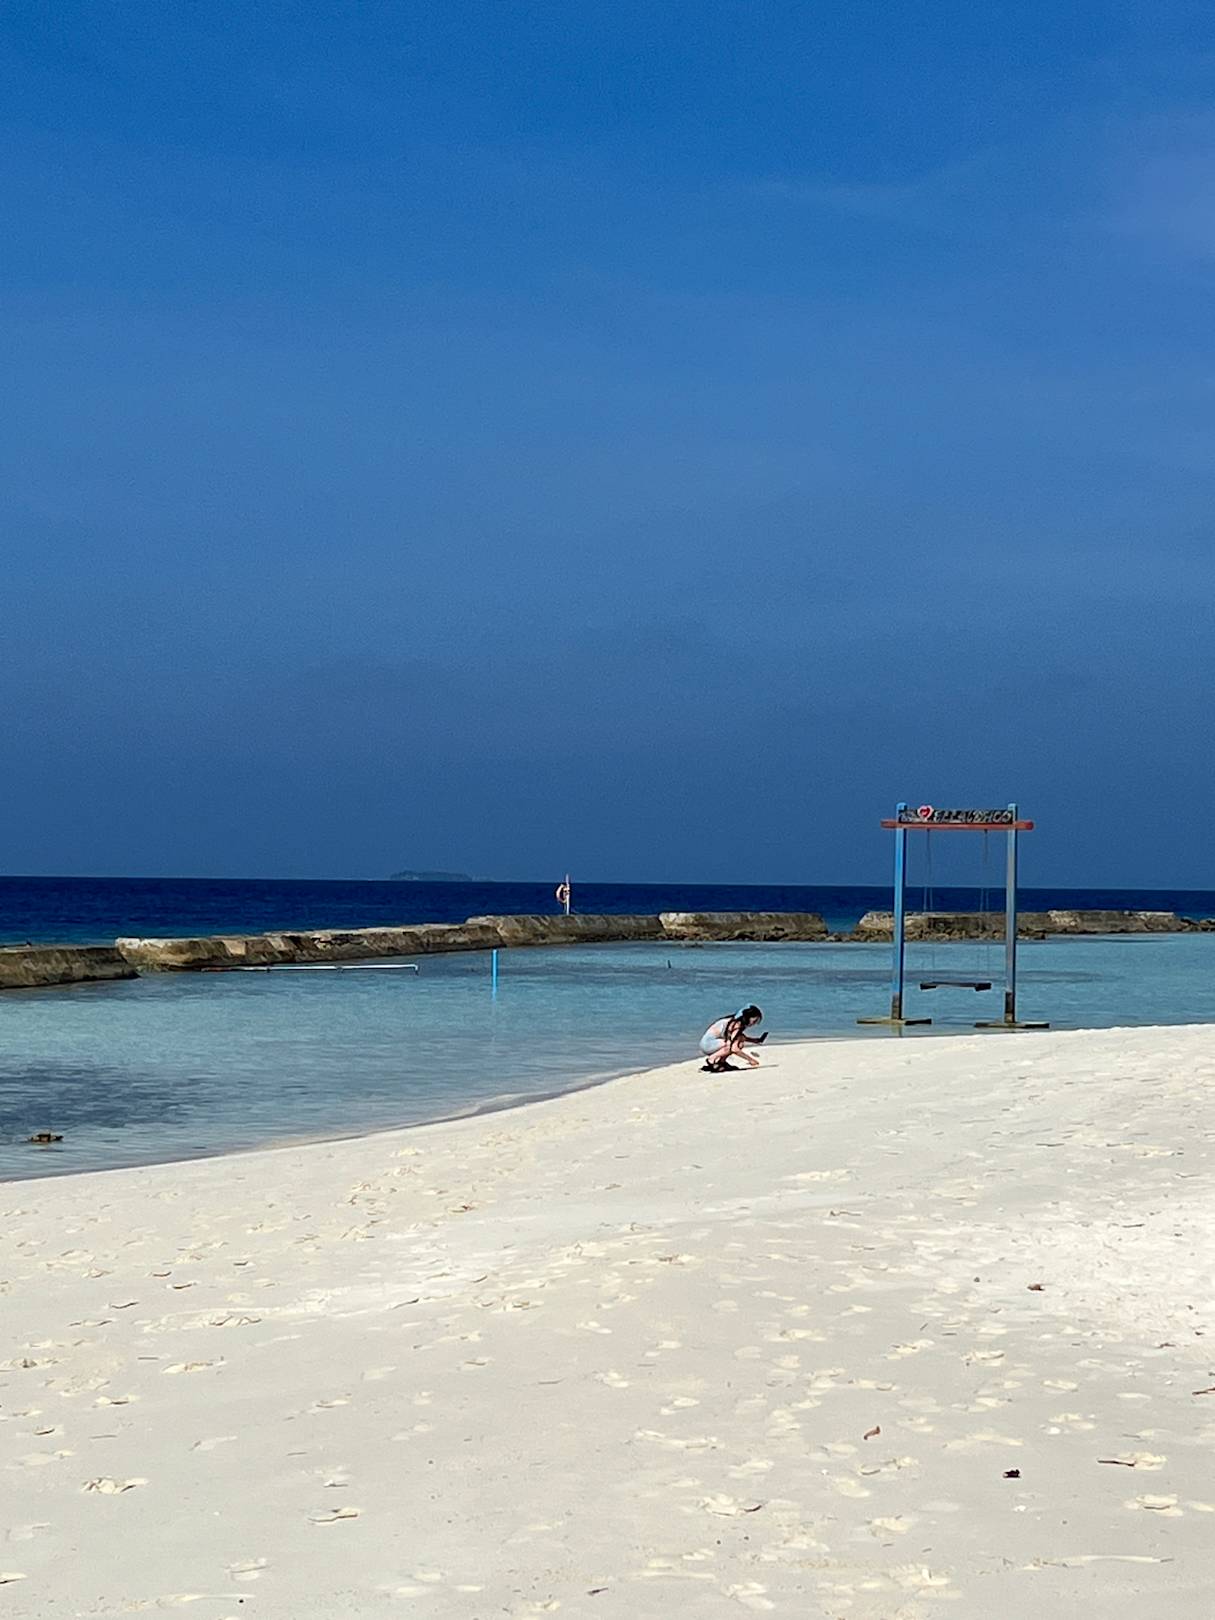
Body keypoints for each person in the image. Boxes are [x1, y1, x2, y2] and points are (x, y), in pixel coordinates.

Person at [699, 1005, 767, 1071]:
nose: (754, 1024)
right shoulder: (736, 1025)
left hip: (709, 1043)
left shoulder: (735, 1022)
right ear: (748, 1017)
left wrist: (755, 1040)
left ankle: (721, 1062)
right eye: (754, 1021)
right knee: (730, 1045)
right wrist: (751, 1060)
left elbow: (739, 1037)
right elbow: (734, 1049)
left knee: (738, 1043)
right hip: (708, 1044)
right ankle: (711, 1059)